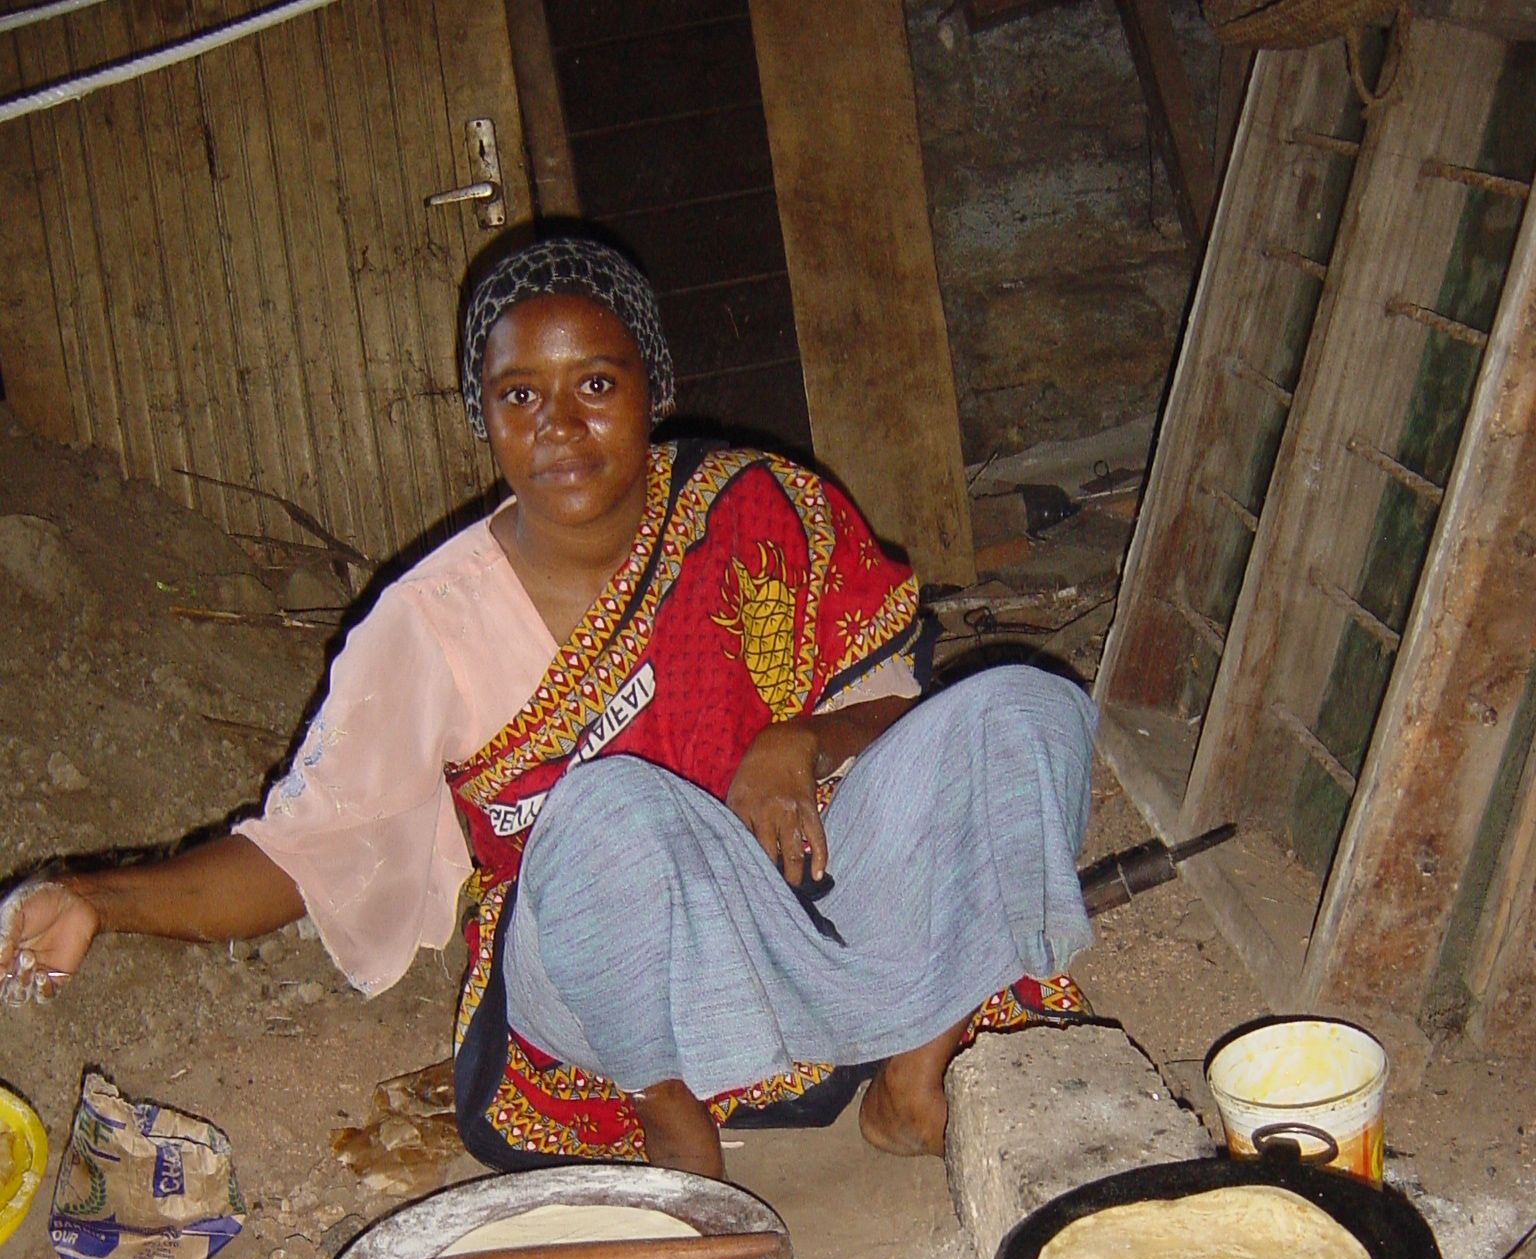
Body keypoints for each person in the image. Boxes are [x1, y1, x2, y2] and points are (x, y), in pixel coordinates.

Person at [0, 233, 1096, 1182]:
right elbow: (304, 855)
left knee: (1023, 712)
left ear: (653, 389)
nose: (559, 426)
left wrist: (800, 740)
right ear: (483, 415)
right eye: (520, 394)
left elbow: (892, 691)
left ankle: (911, 1082)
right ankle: (678, 1132)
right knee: (604, 815)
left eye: (596, 386)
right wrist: (101, 897)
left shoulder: (754, 505)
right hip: (613, 998)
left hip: (803, 906)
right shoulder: (423, 624)